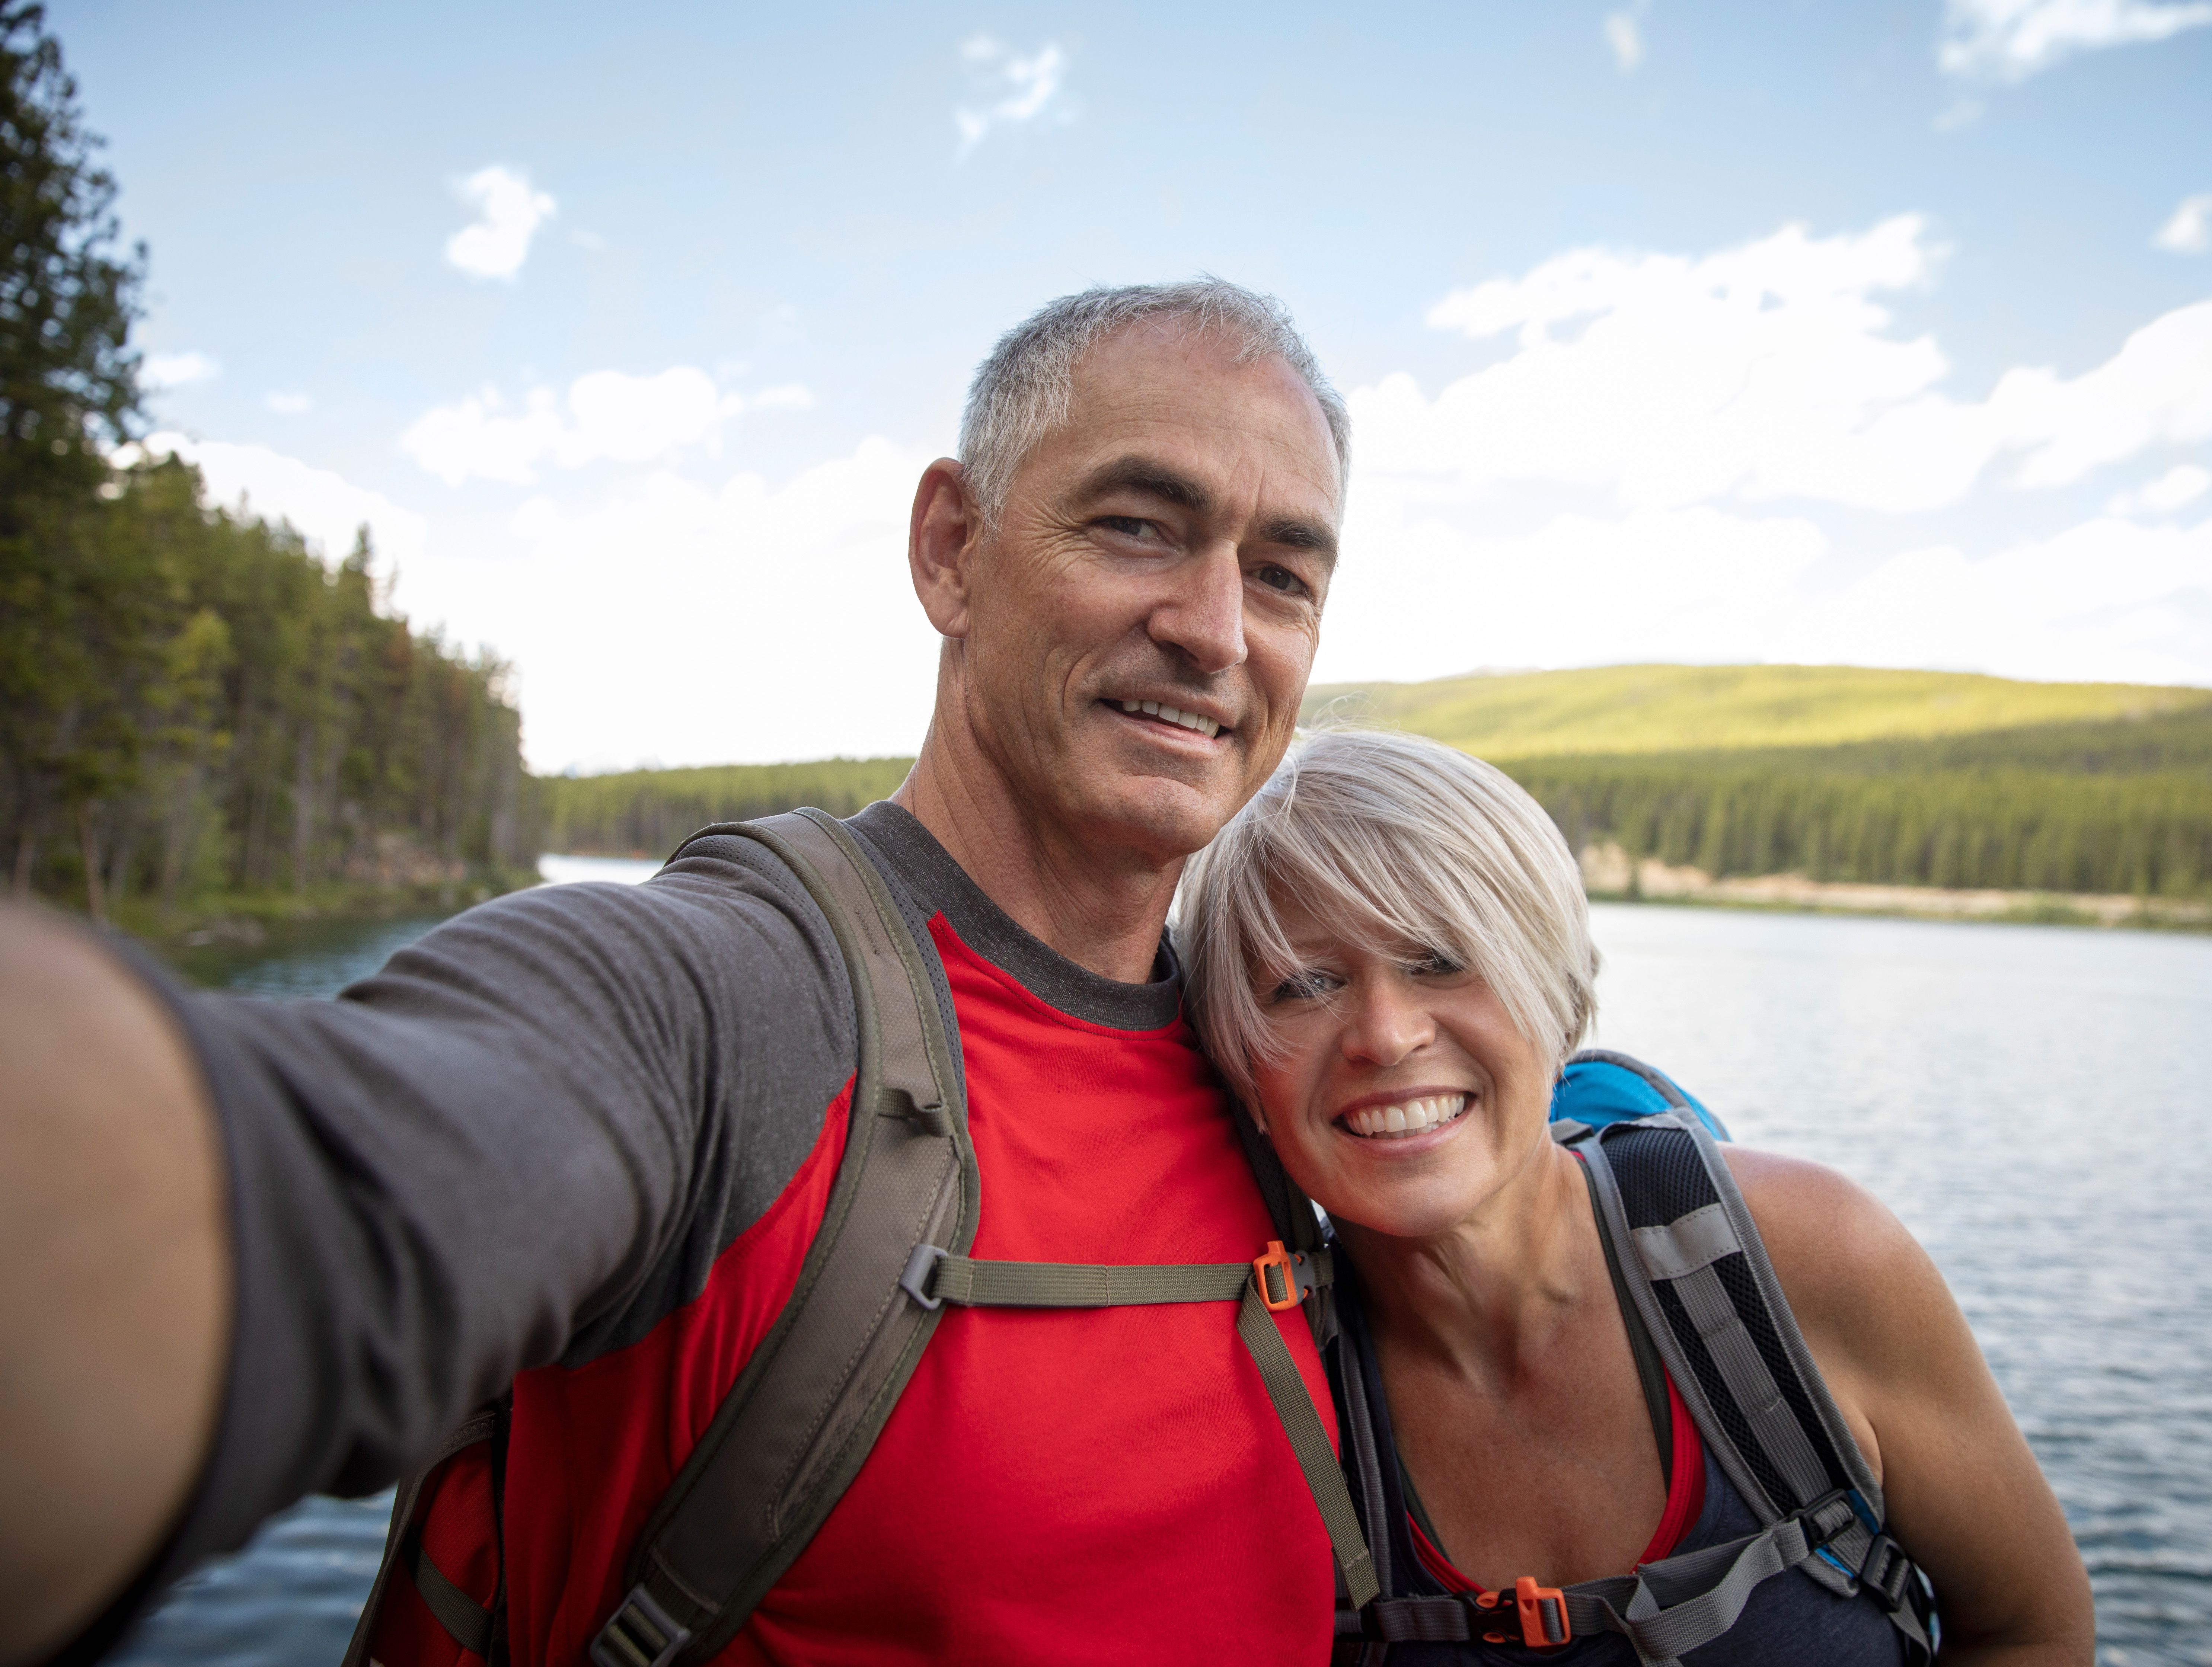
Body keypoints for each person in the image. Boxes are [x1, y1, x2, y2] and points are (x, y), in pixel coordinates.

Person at [0, 279, 1356, 1667]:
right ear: (952, 550)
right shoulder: (731, 1003)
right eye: (1139, 527)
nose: (1216, 630)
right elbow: (304, 1190)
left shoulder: (1292, 1080)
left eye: (1282, 576)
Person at [1174, 729, 2097, 1664]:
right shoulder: (1261, 1403)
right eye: (1306, 984)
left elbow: (2032, 1629)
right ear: (1239, 1065)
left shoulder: (1808, 1258)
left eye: (1443, 959)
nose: (1385, 1033)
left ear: (1557, 993)